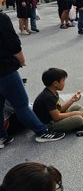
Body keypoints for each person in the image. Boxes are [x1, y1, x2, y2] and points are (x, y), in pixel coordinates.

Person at [0, 12, 65, 145]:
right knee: (21, 104)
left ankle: (1, 136)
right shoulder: (1, 18)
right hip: (4, 69)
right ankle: (42, 132)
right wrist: (21, 60)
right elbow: (13, 43)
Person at [33, 68, 83, 134]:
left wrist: (72, 100)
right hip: (49, 125)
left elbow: (59, 110)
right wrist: (76, 113)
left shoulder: (53, 92)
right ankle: (81, 124)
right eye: (63, 81)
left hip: (54, 119)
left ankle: (81, 124)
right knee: (78, 119)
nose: (64, 83)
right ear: (55, 83)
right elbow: (57, 117)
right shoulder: (48, 97)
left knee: (77, 107)